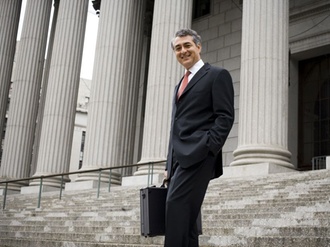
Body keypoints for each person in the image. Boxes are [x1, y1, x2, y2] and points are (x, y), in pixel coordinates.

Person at [164, 28, 235, 247]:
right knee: (188, 219)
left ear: (198, 47)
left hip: (199, 154)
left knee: (175, 207)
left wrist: (208, 147)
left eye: (187, 45)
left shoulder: (216, 74)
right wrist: (169, 164)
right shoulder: (179, 84)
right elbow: (176, 127)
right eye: (178, 48)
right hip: (179, 160)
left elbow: (225, 116)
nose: (183, 51)